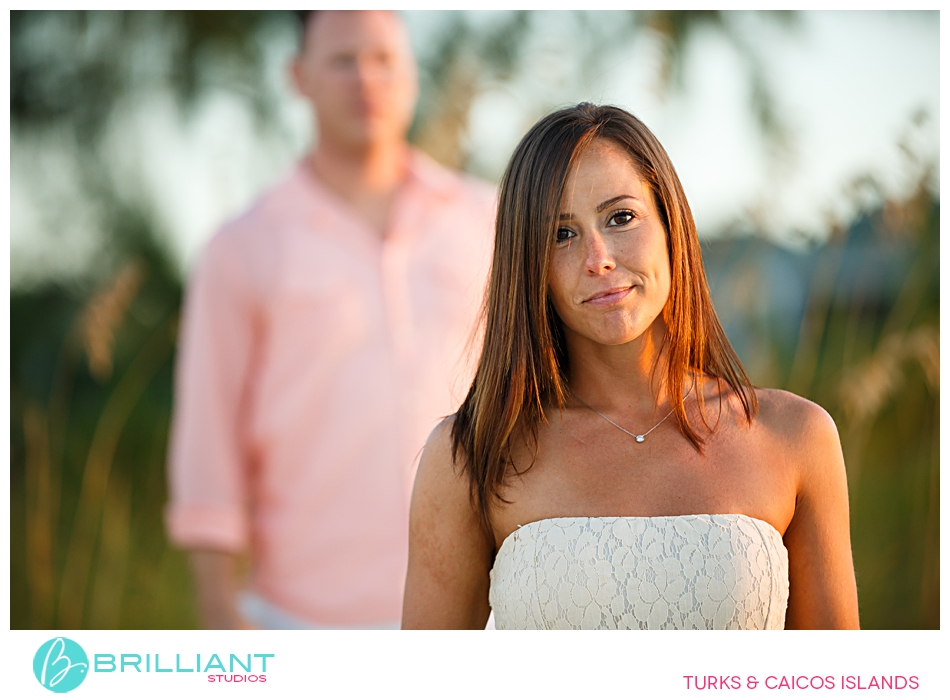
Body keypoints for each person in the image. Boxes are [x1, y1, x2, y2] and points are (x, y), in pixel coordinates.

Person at [402, 103, 860, 630]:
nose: (598, 257)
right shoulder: (473, 454)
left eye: (621, 218)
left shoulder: (795, 437)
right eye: (561, 234)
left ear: (671, 225)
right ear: (528, 265)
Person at [165, 10, 496, 629]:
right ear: (299, 77)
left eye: (384, 60)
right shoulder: (244, 246)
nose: (366, 79)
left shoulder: (488, 220)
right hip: (303, 622)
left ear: (412, 75)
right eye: (343, 60)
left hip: (481, 615)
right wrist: (217, 608)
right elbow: (208, 438)